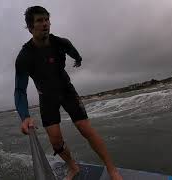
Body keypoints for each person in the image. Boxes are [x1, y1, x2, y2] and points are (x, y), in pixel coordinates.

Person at [14, 6, 123, 180]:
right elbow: (20, 89)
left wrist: (78, 60)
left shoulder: (61, 43)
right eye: (39, 21)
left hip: (66, 90)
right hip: (47, 97)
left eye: (46, 19)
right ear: (30, 27)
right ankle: (73, 167)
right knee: (56, 142)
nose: (45, 24)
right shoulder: (25, 56)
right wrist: (24, 115)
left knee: (85, 128)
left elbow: (74, 52)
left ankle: (112, 169)